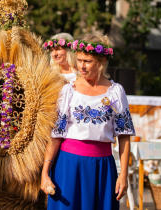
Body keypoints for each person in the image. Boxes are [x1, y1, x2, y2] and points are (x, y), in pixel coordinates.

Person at [41, 34, 134, 210]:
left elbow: (124, 136)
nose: (81, 66)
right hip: (69, 166)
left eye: (87, 61)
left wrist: (123, 175)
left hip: (103, 168)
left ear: (102, 60)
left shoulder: (115, 93)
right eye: (79, 60)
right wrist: (45, 172)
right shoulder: (68, 91)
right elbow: (56, 135)